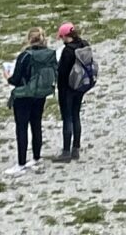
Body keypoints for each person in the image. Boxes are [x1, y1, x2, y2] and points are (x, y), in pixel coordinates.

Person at [6, 28, 58, 172]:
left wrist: (7, 76)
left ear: (29, 39)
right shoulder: (49, 54)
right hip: (40, 94)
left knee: (21, 128)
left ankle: (21, 163)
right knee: (36, 125)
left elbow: (15, 80)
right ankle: (36, 157)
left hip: (23, 96)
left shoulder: (25, 56)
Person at [54, 21, 97, 160]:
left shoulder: (68, 51)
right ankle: (76, 148)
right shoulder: (84, 44)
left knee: (67, 118)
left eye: (62, 37)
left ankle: (66, 151)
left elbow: (62, 73)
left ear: (66, 36)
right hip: (80, 86)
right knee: (76, 115)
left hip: (67, 89)